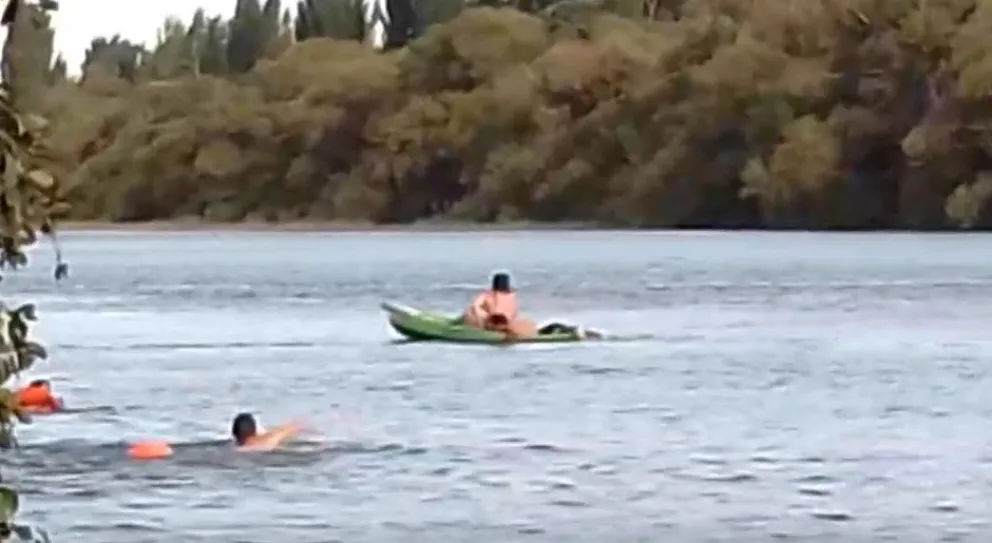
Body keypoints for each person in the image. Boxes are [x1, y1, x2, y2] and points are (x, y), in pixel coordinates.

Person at [461, 272, 538, 338]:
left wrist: (480, 319)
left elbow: (475, 306)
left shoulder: (487, 295)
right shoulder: (511, 296)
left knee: (471, 311)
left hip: (493, 323)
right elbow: (514, 313)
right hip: (502, 323)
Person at [231, 412, 302, 451]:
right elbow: (294, 426)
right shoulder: (266, 441)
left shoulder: (232, 450)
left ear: (234, 433)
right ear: (255, 431)